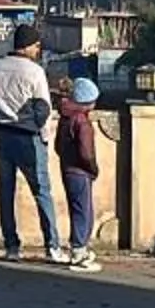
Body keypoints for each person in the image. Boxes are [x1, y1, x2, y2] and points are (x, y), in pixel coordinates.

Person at [0, 24, 68, 264]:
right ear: (28, 46)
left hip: (4, 136)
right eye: (37, 46)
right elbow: (44, 109)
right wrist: (44, 138)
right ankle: (52, 246)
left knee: (5, 192)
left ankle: (12, 246)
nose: (38, 50)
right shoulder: (35, 72)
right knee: (42, 192)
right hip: (29, 137)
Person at [53, 75, 103, 273]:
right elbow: (86, 151)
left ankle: (78, 248)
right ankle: (79, 251)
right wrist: (92, 167)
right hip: (80, 171)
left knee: (77, 209)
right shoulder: (82, 121)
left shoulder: (65, 118)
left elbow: (58, 146)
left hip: (68, 168)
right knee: (84, 211)